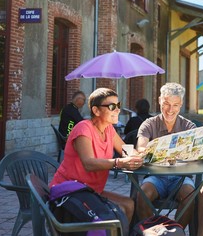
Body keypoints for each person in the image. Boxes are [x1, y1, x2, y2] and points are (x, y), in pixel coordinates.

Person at [50, 88, 144, 223]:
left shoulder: (108, 129)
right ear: (96, 110)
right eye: (112, 106)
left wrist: (142, 155)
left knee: (129, 205)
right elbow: (88, 163)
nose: (117, 110)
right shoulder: (84, 129)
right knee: (117, 213)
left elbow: (125, 150)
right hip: (69, 192)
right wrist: (118, 162)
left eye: (118, 105)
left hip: (91, 191)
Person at [135, 82, 203, 228]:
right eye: (166, 103)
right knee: (142, 194)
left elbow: (201, 155)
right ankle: (153, 232)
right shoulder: (149, 124)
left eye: (175, 105)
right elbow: (141, 147)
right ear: (159, 100)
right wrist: (150, 151)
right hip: (155, 176)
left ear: (181, 104)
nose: (170, 109)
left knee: (190, 194)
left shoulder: (189, 126)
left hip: (181, 177)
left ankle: (176, 231)